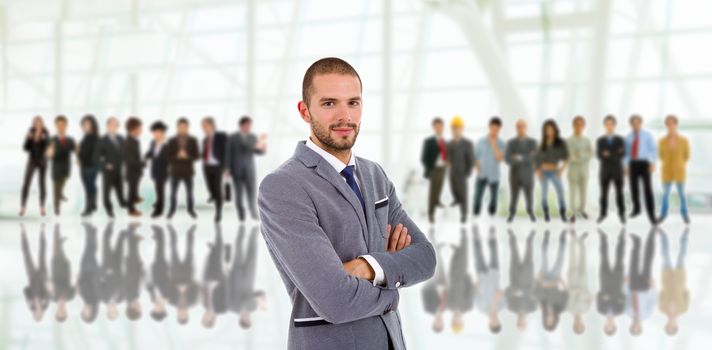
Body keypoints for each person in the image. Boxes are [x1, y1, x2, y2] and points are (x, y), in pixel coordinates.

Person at [258, 57, 436, 350]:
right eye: (329, 103)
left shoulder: (374, 175)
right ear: (305, 111)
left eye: (353, 103)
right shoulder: (283, 187)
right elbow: (334, 299)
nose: (345, 116)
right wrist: (392, 291)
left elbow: (425, 258)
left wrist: (368, 267)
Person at [226, 116, 267, 222]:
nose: (249, 127)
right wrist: (227, 169)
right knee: (239, 193)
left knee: (251, 193)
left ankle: (253, 213)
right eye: (247, 125)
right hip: (236, 170)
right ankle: (241, 215)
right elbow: (228, 154)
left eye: (250, 125)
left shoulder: (252, 137)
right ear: (242, 125)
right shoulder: (233, 138)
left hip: (249, 170)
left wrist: (262, 146)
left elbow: (258, 152)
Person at [624, 114, 657, 225]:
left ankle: (652, 215)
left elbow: (653, 150)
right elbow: (626, 153)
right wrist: (625, 166)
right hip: (633, 164)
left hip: (644, 163)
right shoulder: (628, 137)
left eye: (637, 122)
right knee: (634, 188)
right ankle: (636, 209)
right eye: (633, 123)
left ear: (641, 123)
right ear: (631, 124)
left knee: (647, 189)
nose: (636, 125)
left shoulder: (647, 135)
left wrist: (653, 163)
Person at [657, 115, 691, 224]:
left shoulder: (684, 140)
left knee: (682, 194)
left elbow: (687, 155)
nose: (670, 125)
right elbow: (660, 156)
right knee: (665, 194)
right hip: (666, 171)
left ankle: (685, 215)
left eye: (672, 123)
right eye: (668, 123)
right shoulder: (662, 140)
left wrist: (679, 164)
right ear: (666, 125)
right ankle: (663, 215)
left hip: (680, 171)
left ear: (676, 124)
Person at [472, 225, 505, 334]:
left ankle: (475, 231)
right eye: (497, 321)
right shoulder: (501, 306)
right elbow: (501, 293)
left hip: (481, 274)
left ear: (489, 323)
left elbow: (473, 292)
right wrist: (494, 305)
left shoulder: (480, 308)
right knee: (494, 251)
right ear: (499, 321)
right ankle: (491, 231)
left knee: (477, 252)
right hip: (494, 273)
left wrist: (476, 285)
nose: (494, 320)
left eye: (493, 322)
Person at [625, 229, 657, 336]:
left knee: (633, 262)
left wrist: (625, 284)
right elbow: (653, 301)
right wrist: (653, 287)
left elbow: (626, 296)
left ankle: (636, 241)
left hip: (633, 286)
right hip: (645, 286)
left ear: (630, 326)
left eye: (633, 328)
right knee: (648, 260)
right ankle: (651, 236)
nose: (635, 326)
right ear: (640, 327)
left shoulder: (627, 312)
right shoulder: (647, 315)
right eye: (637, 329)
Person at [166, 118, 200, 219]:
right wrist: (177, 156)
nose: (182, 129)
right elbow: (168, 156)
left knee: (189, 193)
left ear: (187, 127)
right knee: (173, 193)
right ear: (177, 128)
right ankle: (172, 210)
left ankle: (191, 210)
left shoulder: (193, 140)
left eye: (184, 127)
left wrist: (187, 156)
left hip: (188, 171)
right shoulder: (171, 140)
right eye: (180, 127)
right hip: (175, 171)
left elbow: (197, 155)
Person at [535, 230, 568, 332]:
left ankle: (546, 238)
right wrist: (561, 281)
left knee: (544, 258)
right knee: (560, 259)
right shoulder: (561, 308)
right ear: (555, 321)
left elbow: (536, 290)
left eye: (546, 321)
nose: (549, 319)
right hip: (554, 279)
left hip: (543, 279)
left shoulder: (541, 307)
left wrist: (538, 279)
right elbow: (566, 293)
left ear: (544, 320)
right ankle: (563, 238)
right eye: (551, 322)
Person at [536, 119, 569, 222]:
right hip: (543, 172)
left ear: (555, 129)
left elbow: (566, 158)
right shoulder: (542, 143)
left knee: (560, 192)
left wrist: (561, 170)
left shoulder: (561, 142)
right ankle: (546, 213)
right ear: (544, 131)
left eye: (551, 129)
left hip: (554, 171)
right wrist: (537, 171)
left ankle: (563, 214)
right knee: (544, 193)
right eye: (547, 130)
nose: (549, 132)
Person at [505, 119, 537, 223]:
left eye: (523, 126)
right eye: (518, 126)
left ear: (526, 127)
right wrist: (526, 157)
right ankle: (512, 214)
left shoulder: (533, 142)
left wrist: (518, 157)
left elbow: (534, 159)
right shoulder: (511, 143)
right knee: (514, 196)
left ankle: (530, 212)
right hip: (514, 175)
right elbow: (507, 159)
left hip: (528, 175)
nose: (521, 128)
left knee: (529, 196)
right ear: (516, 128)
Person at [94, 117, 127, 218]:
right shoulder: (102, 140)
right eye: (112, 124)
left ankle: (123, 203)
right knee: (106, 193)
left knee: (120, 191)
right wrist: (105, 165)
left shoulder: (121, 138)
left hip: (119, 170)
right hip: (108, 171)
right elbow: (95, 157)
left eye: (116, 125)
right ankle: (109, 210)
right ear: (107, 126)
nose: (114, 127)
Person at [658, 228, 689, 336]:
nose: (670, 325)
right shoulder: (683, 309)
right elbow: (687, 294)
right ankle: (685, 236)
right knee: (682, 255)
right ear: (676, 326)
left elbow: (660, 294)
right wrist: (682, 287)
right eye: (672, 327)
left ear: (666, 325)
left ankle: (662, 236)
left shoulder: (662, 309)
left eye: (668, 327)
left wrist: (666, 287)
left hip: (666, 278)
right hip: (679, 278)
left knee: (664, 255)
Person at [596, 115, 626, 224]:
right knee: (603, 194)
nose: (609, 126)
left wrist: (608, 153)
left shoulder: (620, 139)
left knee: (619, 193)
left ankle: (621, 214)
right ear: (605, 126)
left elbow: (622, 154)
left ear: (614, 125)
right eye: (607, 124)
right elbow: (599, 155)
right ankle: (603, 214)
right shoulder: (600, 140)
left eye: (611, 124)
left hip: (617, 171)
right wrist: (615, 153)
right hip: (604, 171)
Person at [505, 229, 537, 331]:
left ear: (517, 322)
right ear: (526, 322)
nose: (521, 321)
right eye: (522, 324)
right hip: (528, 276)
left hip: (514, 275)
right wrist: (522, 291)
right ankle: (530, 239)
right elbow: (535, 292)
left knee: (513, 253)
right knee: (529, 254)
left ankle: (512, 236)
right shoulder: (533, 308)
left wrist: (516, 291)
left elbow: (507, 292)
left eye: (519, 323)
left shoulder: (511, 307)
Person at [473, 117, 505, 217]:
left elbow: (500, 158)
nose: (494, 131)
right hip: (481, 173)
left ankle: (492, 218)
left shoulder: (501, 143)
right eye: (493, 128)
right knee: (477, 197)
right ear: (489, 127)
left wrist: (494, 144)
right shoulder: (480, 141)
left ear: (499, 129)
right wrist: (477, 166)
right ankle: (476, 216)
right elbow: (475, 156)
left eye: (497, 129)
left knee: (494, 200)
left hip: (494, 175)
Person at [596, 228, 626, 336]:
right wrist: (609, 296)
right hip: (618, 279)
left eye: (607, 327)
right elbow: (622, 296)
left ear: (604, 325)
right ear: (614, 325)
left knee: (603, 257)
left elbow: (599, 295)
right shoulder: (620, 310)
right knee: (620, 257)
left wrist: (612, 296)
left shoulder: (600, 309)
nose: (609, 325)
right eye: (611, 327)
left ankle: (603, 237)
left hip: (604, 279)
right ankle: (621, 237)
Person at [447, 116, 475, 224]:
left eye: (458, 127)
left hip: (462, 172)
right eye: (454, 128)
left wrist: (467, 171)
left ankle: (464, 214)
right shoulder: (450, 144)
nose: (456, 130)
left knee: (463, 193)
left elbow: (471, 159)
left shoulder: (467, 144)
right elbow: (448, 156)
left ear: (461, 129)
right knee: (453, 188)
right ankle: (456, 199)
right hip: (453, 171)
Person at [20, 116, 50, 217]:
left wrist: (43, 138)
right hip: (32, 161)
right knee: (26, 182)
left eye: (39, 122)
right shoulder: (30, 131)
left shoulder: (46, 132)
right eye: (35, 122)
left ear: (42, 123)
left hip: (42, 161)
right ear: (33, 123)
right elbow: (25, 148)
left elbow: (47, 147)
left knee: (42, 183)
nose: (37, 124)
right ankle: (23, 206)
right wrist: (28, 139)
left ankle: (42, 207)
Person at [47, 115, 76, 216]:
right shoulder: (52, 139)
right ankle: (56, 209)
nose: (61, 127)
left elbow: (76, 150)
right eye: (58, 125)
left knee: (62, 184)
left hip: (66, 167)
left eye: (63, 125)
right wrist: (50, 152)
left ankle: (61, 195)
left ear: (66, 126)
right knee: (56, 188)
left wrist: (79, 158)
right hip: (56, 167)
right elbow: (48, 154)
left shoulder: (70, 140)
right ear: (55, 126)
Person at [447, 229, 475, 334]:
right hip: (462, 276)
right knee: (464, 255)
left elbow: (448, 289)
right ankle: (465, 234)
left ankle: (457, 249)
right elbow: (470, 290)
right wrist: (467, 278)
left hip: (453, 276)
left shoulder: (449, 306)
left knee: (455, 260)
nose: (456, 320)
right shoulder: (467, 306)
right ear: (462, 321)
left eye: (454, 322)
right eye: (458, 322)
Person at [420, 117, 448, 223]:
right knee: (433, 192)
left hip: (443, 168)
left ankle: (437, 201)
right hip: (434, 169)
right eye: (437, 126)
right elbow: (424, 157)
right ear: (434, 127)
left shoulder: (443, 140)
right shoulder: (429, 141)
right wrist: (429, 168)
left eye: (441, 126)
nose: (439, 128)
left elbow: (445, 153)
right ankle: (431, 213)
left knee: (439, 189)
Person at [201, 117, 228, 222]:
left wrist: (226, 167)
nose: (203, 128)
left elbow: (226, 152)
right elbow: (205, 151)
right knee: (210, 186)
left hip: (218, 166)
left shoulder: (221, 136)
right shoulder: (205, 139)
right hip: (207, 166)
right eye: (203, 126)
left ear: (212, 125)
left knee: (217, 188)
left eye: (205, 125)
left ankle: (218, 212)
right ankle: (213, 194)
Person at [566, 116, 593, 222]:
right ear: (573, 126)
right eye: (576, 124)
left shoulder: (587, 140)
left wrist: (579, 155)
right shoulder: (568, 140)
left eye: (581, 124)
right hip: (573, 170)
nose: (579, 126)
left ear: (584, 126)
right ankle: (572, 213)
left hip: (584, 170)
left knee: (584, 192)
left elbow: (590, 154)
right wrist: (581, 156)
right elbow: (568, 156)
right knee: (572, 192)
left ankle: (582, 210)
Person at [566, 230, 591, 334]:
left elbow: (567, 294)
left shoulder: (569, 309)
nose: (578, 323)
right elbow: (590, 296)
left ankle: (572, 238)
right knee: (583, 258)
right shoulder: (586, 309)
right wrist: (582, 293)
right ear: (583, 324)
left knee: (572, 258)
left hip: (572, 280)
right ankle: (581, 241)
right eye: (581, 325)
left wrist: (575, 292)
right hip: (583, 281)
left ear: (573, 324)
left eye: (577, 326)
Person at [144, 122, 170, 218]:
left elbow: (169, 159)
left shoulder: (168, 144)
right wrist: (145, 156)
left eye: (158, 132)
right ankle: (158, 202)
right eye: (154, 132)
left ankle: (159, 210)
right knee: (157, 189)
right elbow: (150, 153)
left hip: (164, 171)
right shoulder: (153, 142)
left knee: (160, 190)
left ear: (163, 133)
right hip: (154, 170)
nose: (156, 134)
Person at [78, 115, 101, 217]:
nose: (85, 126)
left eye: (87, 124)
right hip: (83, 165)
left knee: (89, 187)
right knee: (88, 186)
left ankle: (88, 208)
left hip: (93, 166)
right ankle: (93, 204)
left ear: (92, 125)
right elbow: (82, 152)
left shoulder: (97, 137)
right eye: (84, 124)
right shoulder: (84, 138)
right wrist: (78, 157)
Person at [123, 117, 144, 217]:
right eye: (139, 128)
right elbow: (130, 160)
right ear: (133, 129)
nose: (140, 130)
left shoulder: (135, 140)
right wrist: (142, 164)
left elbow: (137, 156)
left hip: (136, 171)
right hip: (131, 171)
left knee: (134, 189)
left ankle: (135, 197)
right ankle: (131, 210)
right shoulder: (128, 142)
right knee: (131, 191)